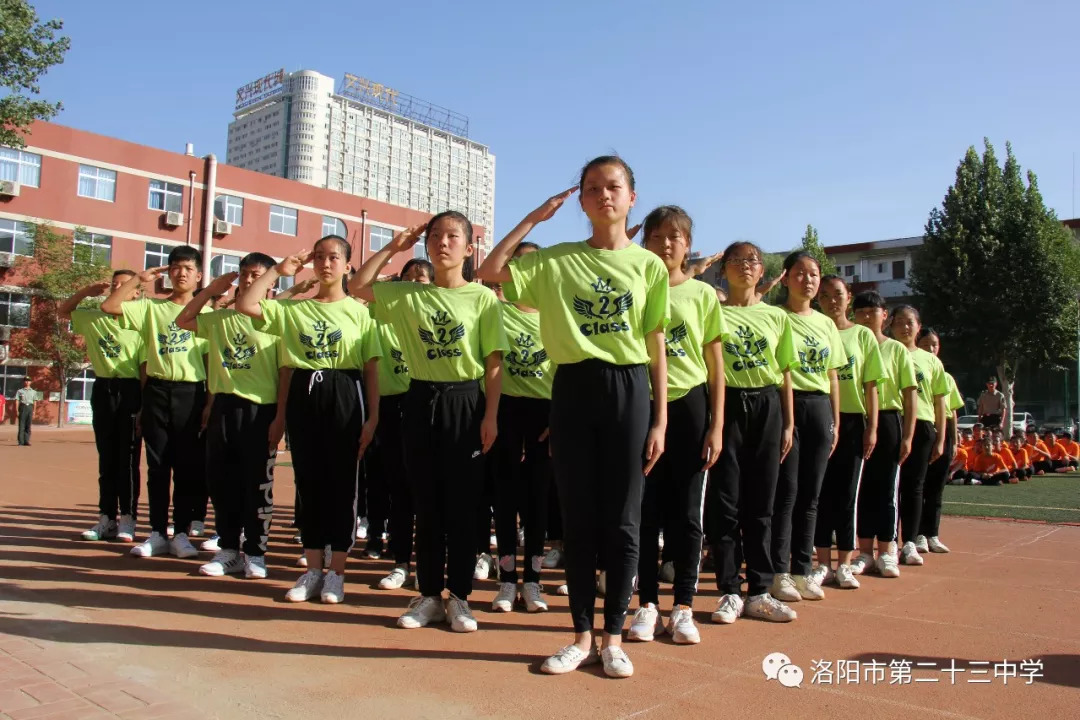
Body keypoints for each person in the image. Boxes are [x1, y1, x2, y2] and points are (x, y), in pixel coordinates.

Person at [476, 156, 669, 678]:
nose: (604, 195)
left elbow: (655, 344)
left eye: (614, 187)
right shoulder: (557, 260)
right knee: (579, 518)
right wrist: (534, 219)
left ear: (632, 197)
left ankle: (613, 638)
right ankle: (581, 635)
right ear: (580, 200)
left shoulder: (649, 266)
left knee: (625, 521)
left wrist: (660, 419)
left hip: (630, 388)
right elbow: (490, 271)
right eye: (592, 188)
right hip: (573, 388)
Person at [352, 212, 505, 634]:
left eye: (453, 236)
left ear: (469, 248)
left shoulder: (482, 298)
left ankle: (458, 597)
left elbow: (494, 362)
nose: (442, 243)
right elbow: (357, 286)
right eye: (435, 236)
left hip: (466, 401)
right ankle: (428, 594)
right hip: (421, 400)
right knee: (426, 502)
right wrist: (393, 247)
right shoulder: (407, 295)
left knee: (462, 504)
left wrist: (491, 415)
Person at [237, 235, 381, 603]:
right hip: (305, 391)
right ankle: (313, 568)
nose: (325, 263)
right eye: (319, 257)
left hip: (345, 391)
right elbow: (246, 303)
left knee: (342, 485)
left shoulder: (361, 312)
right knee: (309, 482)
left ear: (348, 265)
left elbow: (371, 369)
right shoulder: (294, 311)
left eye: (334, 257)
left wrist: (373, 417)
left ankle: (337, 572)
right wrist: (278, 272)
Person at [627, 206, 723, 645]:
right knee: (644, 511)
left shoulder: (703, 295)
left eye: (676, 237)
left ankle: (683, 605)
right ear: (645, 240)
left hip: (690, 408)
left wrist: (716, 425)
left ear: (688, 244)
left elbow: (715, 364)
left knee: (687, 513)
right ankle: (646, 603)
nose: (667, 244)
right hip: (640, 405)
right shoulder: (637, 287)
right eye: (659, 236)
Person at [176, 253, 289, 579]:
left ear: (271, 280)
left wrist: (280, 417)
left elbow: (285, 373)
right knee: (221, 482)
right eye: (244, 274)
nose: (249, 280)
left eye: (256, 275)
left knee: (256, 484)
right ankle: (228, 549)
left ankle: (255, 551)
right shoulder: (219, 318)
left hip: (260, 411)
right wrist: (209, 289)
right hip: (224, 408)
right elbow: (182, 321)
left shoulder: (277, 319)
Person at [704, 241, 797, 625]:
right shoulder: (712, 313)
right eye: (737, 260)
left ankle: (759, 590)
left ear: (762, 272)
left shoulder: (776, 317)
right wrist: (716, 422)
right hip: (726, 405)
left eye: (753, 261)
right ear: (724, 269)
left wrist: (789, 422)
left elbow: (786, 372)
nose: (746, 266)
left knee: (761, 504)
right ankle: (729, 590)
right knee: (725, 502)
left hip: (768, 407)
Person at [102, 246, 211, 559]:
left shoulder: (205, 313)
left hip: (192, 393)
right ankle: (157, 533)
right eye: (175, 267)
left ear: (199, 275)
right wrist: (138, 279)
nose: (181, 273)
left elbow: (210, 359)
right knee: (157, 466)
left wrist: (209, 402)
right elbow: (110, 305)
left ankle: (181, 534)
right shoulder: (150, 308)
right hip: (157, 392)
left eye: (188, 268)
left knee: (187, 467)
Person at [767, 252, 845, 605]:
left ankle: (802, 570)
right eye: (800, 274)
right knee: (787, 493)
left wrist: (836, 418)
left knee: (811, 496)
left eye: (813, 274)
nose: (808, 280)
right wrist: (788, 419)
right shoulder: (776, 317)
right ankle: (778, 572)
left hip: (819, 406)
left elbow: (833, 374)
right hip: (787, 405)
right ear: (785, 279)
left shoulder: (827, 323)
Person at [487, 242, 556, 615]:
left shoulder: (557, 314)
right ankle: (505, 581)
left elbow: (566, 366)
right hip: (505, 411)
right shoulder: (495, 311)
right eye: (518, 265)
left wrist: (557, 417)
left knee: (536, 503)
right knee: (505, 499)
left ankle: (532, 581)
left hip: (545, 415)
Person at [60, 271, 146, 542]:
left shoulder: (142, 323)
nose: (117, 288)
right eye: (114, 284)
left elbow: (144, 368)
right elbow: (63, 311)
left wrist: (143, 404)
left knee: (129, 459)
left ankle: (128, 520)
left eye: (125, 285)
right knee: (107, 457)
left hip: (131, 390)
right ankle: (106, 518)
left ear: (136, 293)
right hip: (104, 389)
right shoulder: (93, 316)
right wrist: (86, 291)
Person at [812, 275, 883, 591]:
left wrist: (872, 427)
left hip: (853, 421)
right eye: (824, 295)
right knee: (820, 493)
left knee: (846, 495)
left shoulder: (863, 336)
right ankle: (822, 564)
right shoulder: (815, 329)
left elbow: (871, 386)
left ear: (848, 296)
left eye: (837, 294)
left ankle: (844, 564)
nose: (831, 300)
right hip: (820, 416)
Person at [371, 256, 433, 590]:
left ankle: (429, 562)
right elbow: (359, 288)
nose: (415, 284)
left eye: (422, 280)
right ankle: (400, 562)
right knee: (399, 487)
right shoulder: (385, 315)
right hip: (392, 406)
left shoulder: (439, 316)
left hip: (429, 401)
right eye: (408, 279)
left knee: (430, 490)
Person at [851, 291, 917, 578]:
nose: (866, 317)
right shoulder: (851, 343)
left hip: (889, 420)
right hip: (856, 419)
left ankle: (887, 550)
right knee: (861, 488)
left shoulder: (896, 349)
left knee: (886, 488)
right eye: (861, 312)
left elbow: (910, 394)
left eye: (872, 311)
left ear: (884, 316)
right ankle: (864, 551)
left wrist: (908, 435)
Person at [889, 305, 947, 567]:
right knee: (888, 486)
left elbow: (939, 403)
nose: (904, 326)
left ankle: (909, 541)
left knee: (914, 486)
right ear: (890, 325)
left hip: (923, 425)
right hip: (893, 421)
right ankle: (886, 540)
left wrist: (941, 438)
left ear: (918, 326)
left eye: (909, 322)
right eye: (899, 321)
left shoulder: (931, 360)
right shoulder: (885, 351)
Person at [915, 327, 963, 554]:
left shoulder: (945, 376)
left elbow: (952, 411)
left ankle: (932, 533)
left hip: (944, 436)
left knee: (936, 489)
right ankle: (916, 535)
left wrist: (953, 440)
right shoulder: (916, 370)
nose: (931, 349)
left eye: (934, 345)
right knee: (917, 486)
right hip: (924, 430)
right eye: (925, 345)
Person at [15, 376, 36, 446]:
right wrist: (17, 410)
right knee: (21, 425)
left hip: (30, 407)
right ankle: (21, 441)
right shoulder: (20, 391)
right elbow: (17, 401)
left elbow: (35, 402)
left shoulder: (33, 392)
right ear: (24, 382)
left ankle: (26, 441)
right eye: (26, 381)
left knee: (28, 425)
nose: (27, 382)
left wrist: (34, 411)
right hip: (22, 407)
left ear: (31, 382)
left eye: (29, 381)